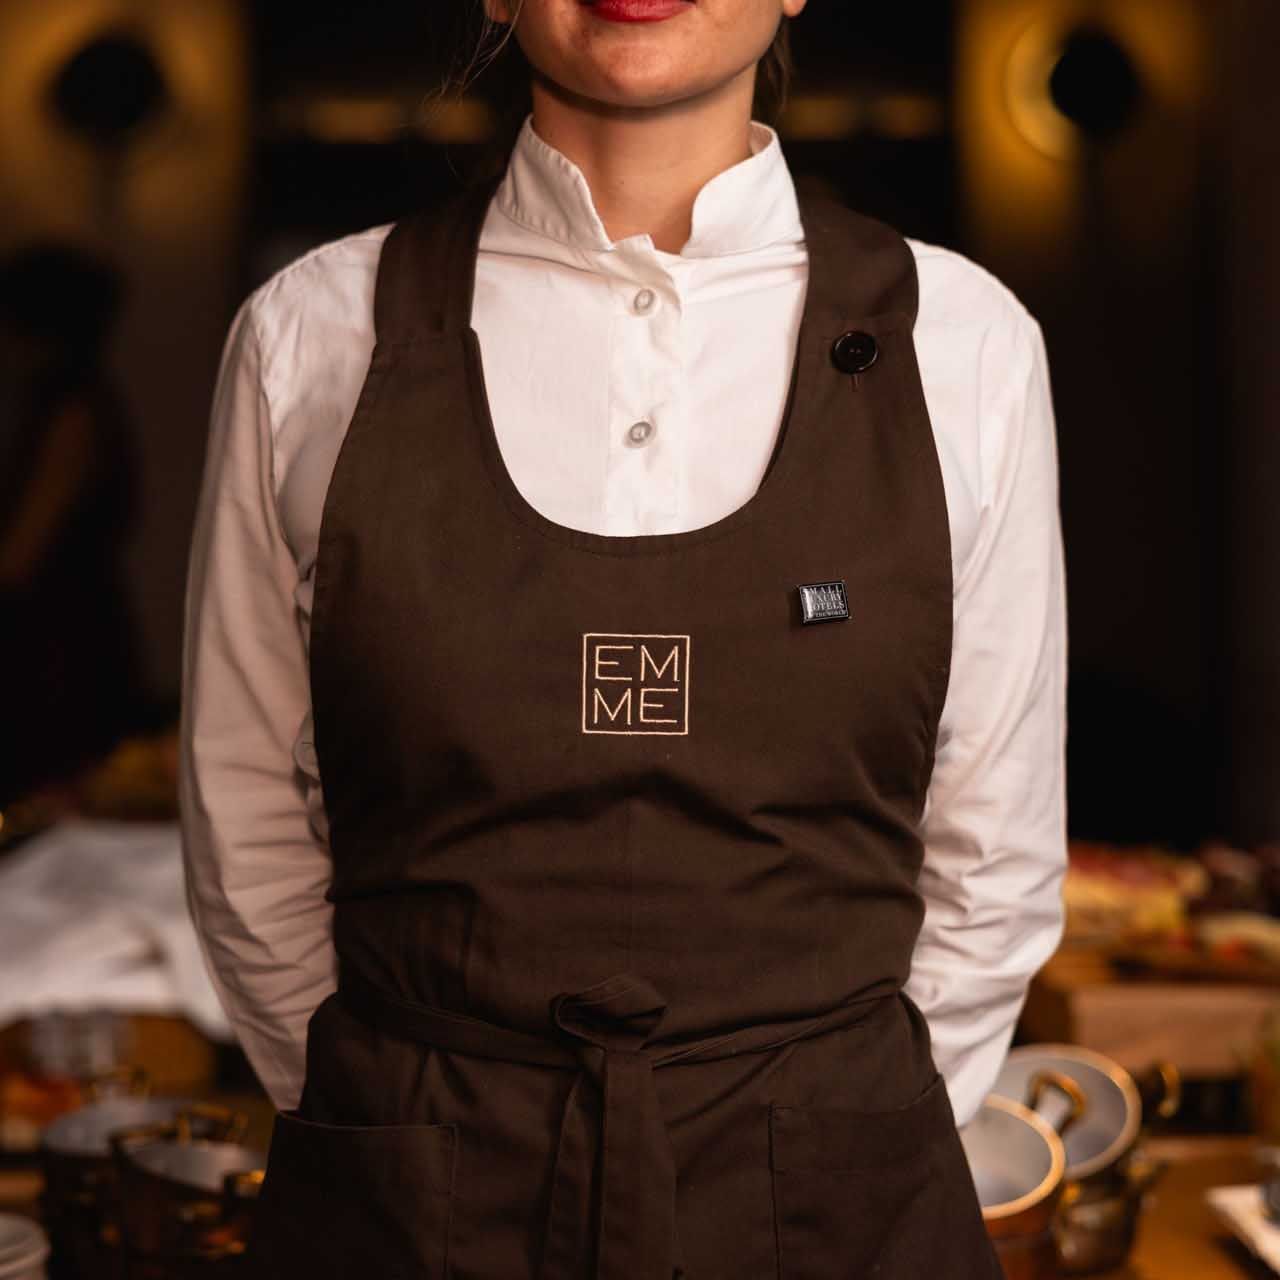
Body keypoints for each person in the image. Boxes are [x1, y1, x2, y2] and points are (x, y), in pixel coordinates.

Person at [179, 1, 1067, 1276]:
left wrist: (846, 1131)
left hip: (841, 1210)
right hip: (409, 1203)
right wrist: (383, 1121)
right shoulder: (308, 333)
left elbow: (994, 851)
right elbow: (244, 817)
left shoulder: (968, 343)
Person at [0, 244, 147, 807]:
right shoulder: (59, 409)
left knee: (54, 796)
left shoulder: (74, 416)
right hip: (57, 634)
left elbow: (20, 556)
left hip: (58, 644)